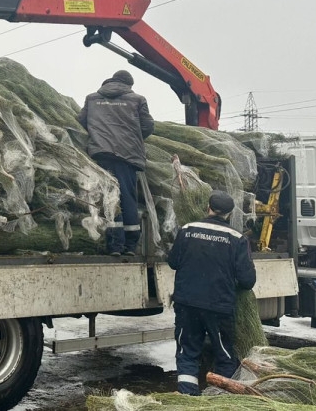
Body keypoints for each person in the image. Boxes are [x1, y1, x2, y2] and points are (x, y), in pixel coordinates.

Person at [167, 191, 257, 396]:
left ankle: (187, 398)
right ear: (229, 213)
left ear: (208, 208)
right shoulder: (237, 238)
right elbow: (247, 280)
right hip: (219, 306)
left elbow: (173, 262)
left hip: (187, 303)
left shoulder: (187, 230)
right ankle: (219, 399)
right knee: (224, 354)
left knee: (187, 352)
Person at [79, 70, 154, 255]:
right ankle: (130, 245)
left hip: (100, 155)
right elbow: (148, 126)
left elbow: (81, 121)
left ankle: (114, 245)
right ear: (129, 85)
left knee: (109, 197)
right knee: (127, 197)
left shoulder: (92, 98)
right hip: (127, 156)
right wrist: (132, 139)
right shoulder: (137, 99)